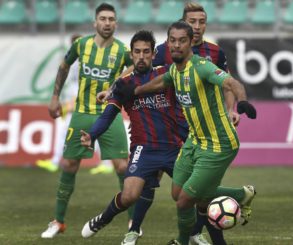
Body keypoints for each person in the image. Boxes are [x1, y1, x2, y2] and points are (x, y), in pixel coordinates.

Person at [117, 21, 257, 245]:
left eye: (182, 40)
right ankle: (241, 194)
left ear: (190, 42)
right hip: (194, 141)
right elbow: (161, 82)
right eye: (172, 40)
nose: (176, 45)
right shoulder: (174, 69)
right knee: (178, 192)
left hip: (219, 144)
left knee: (184, 202)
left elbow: (231, 83)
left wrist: (242, 102)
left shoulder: (202, 67)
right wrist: (135, 91)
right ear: (167, 43)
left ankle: (182, 242)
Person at [79, 30, 187, 244]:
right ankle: (104, 218)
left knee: (189, 195)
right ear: (131, 54)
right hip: (143, 149)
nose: (141, 56)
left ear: (153, 53)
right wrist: (92, 135)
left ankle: (189, 235)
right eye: (137, 52)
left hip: (174, 148)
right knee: (129, 196)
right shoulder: (122, 84)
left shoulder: (167, 74)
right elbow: (109, 114)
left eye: (146, 52)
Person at [41, 3, 132, 238]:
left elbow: (136, 68)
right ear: (95, 22)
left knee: (122, 166)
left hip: (110, 113)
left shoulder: (122, 50)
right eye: (103, 18)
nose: (107, 22)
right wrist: (54, 98)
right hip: (81, 113)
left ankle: (134, 224)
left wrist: (116, 83)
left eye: (111, 19)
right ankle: (58, 221)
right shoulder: (81, 45)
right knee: (69, 164)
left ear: (116, 23)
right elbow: (64, 66)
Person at [36, 34, 82, 173]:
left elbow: (82, 86)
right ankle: (55, 161)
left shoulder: (82, 63)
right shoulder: (73, 62)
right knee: (93, 133)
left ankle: (55, 161)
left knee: (66, 132)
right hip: (76, 101)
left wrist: (72, 103)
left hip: (82, 103)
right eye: (73, 43)